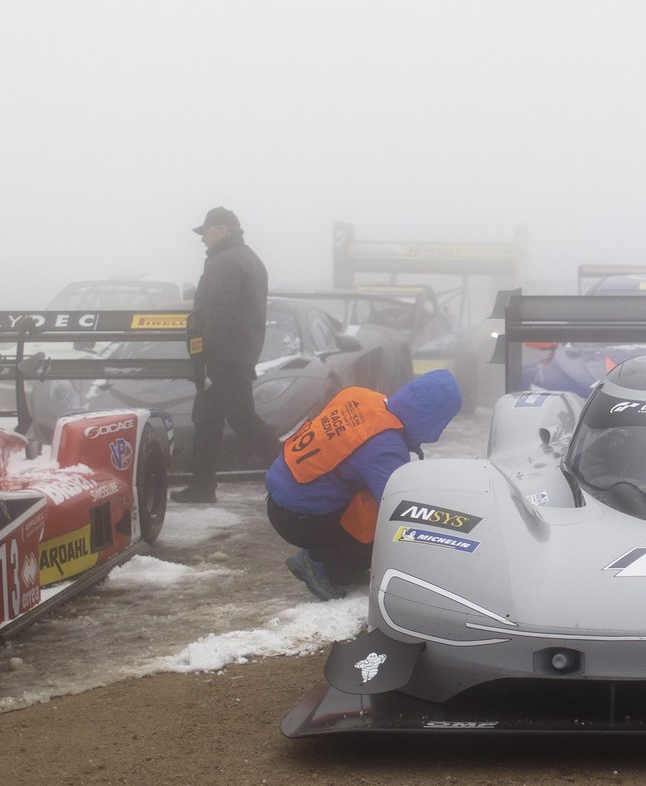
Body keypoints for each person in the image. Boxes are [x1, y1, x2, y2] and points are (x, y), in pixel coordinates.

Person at [264, 370, 463, 600]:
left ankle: (338, 565)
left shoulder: (361, 397)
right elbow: (400, 509)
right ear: (434, 419)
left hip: (282, 494)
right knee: (385, 525)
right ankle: (320, 563)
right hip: (299, 518)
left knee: (371, 498)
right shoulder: (385, 448)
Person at [174, 206, 272, 503]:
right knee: (207, 418)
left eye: (206, 231)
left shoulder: (226, 262)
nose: (202, 238)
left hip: (224, 355)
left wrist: (204, 354)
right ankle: (202, 486)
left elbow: (218, 311)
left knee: (242, 419)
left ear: (224, 229)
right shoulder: (248, 258)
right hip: (237, 351)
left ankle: (297, 476)